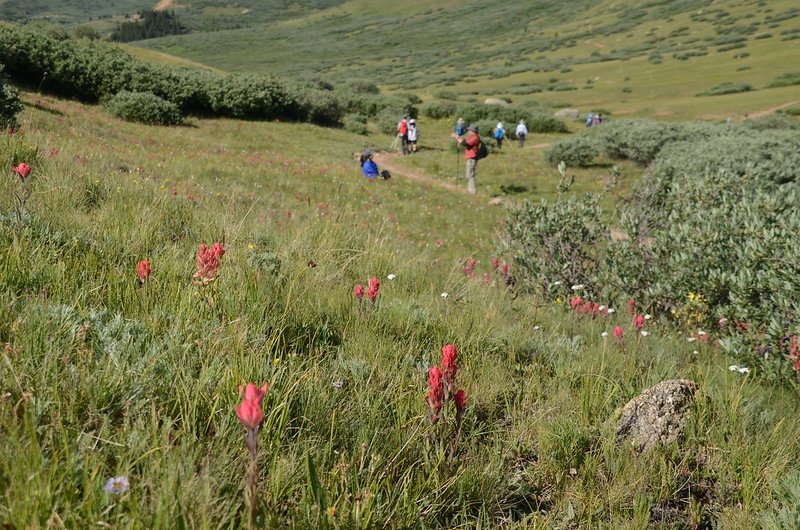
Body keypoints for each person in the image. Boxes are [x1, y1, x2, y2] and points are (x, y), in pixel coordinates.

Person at [451, 123, 480, 195]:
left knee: (469, 174)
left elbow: (466, 143)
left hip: (472, 158)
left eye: (469, 130)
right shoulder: (472, 137)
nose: (468, 131)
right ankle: (470, 190)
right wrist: (459, 140)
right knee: (469, 174)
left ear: (472, 130)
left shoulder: (475, 137)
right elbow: (464, 141)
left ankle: (472, 191)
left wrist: (457, 137)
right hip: (470, 158)